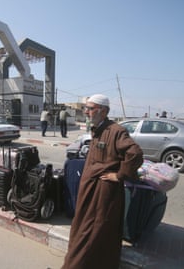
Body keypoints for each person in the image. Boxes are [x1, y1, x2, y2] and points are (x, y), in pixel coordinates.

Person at [62, 94, 144, 269]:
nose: (86, 112)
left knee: (90, 231)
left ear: (103, 111)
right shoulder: (97, 129)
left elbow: (135, 153)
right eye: (86, 108)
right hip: (90, 190)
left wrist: (120, 175)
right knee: (86, 229)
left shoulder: (115, 131)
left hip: (102, 193)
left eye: (90, 108)